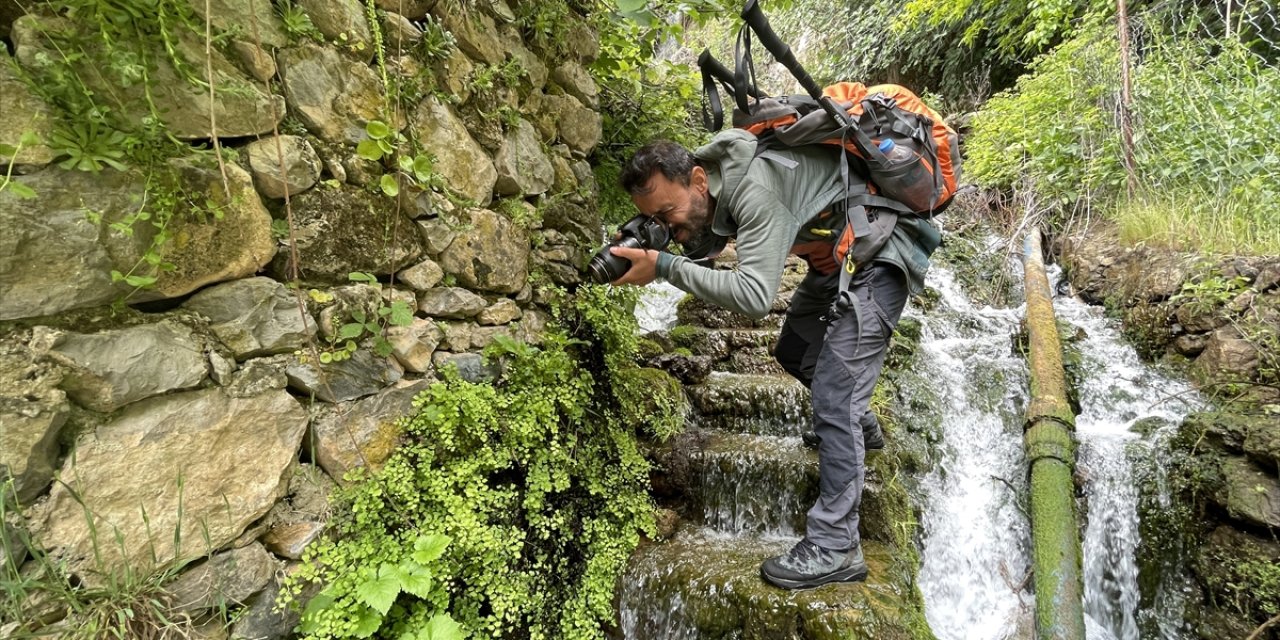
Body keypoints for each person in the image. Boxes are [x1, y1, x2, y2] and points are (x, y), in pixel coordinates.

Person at [610, 129, 940, 590]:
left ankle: (836, 545)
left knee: (834, 392)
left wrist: (663, 267)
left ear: (700, 180)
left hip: (882, 251)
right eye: (654, 218)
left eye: (668, 213)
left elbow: (754, 296)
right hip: (839, 258)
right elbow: (704, 247)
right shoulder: (717, 191)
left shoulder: (756, 190)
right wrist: (654, 240)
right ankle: (857, 426)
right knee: (795, 351)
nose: (667, 224)